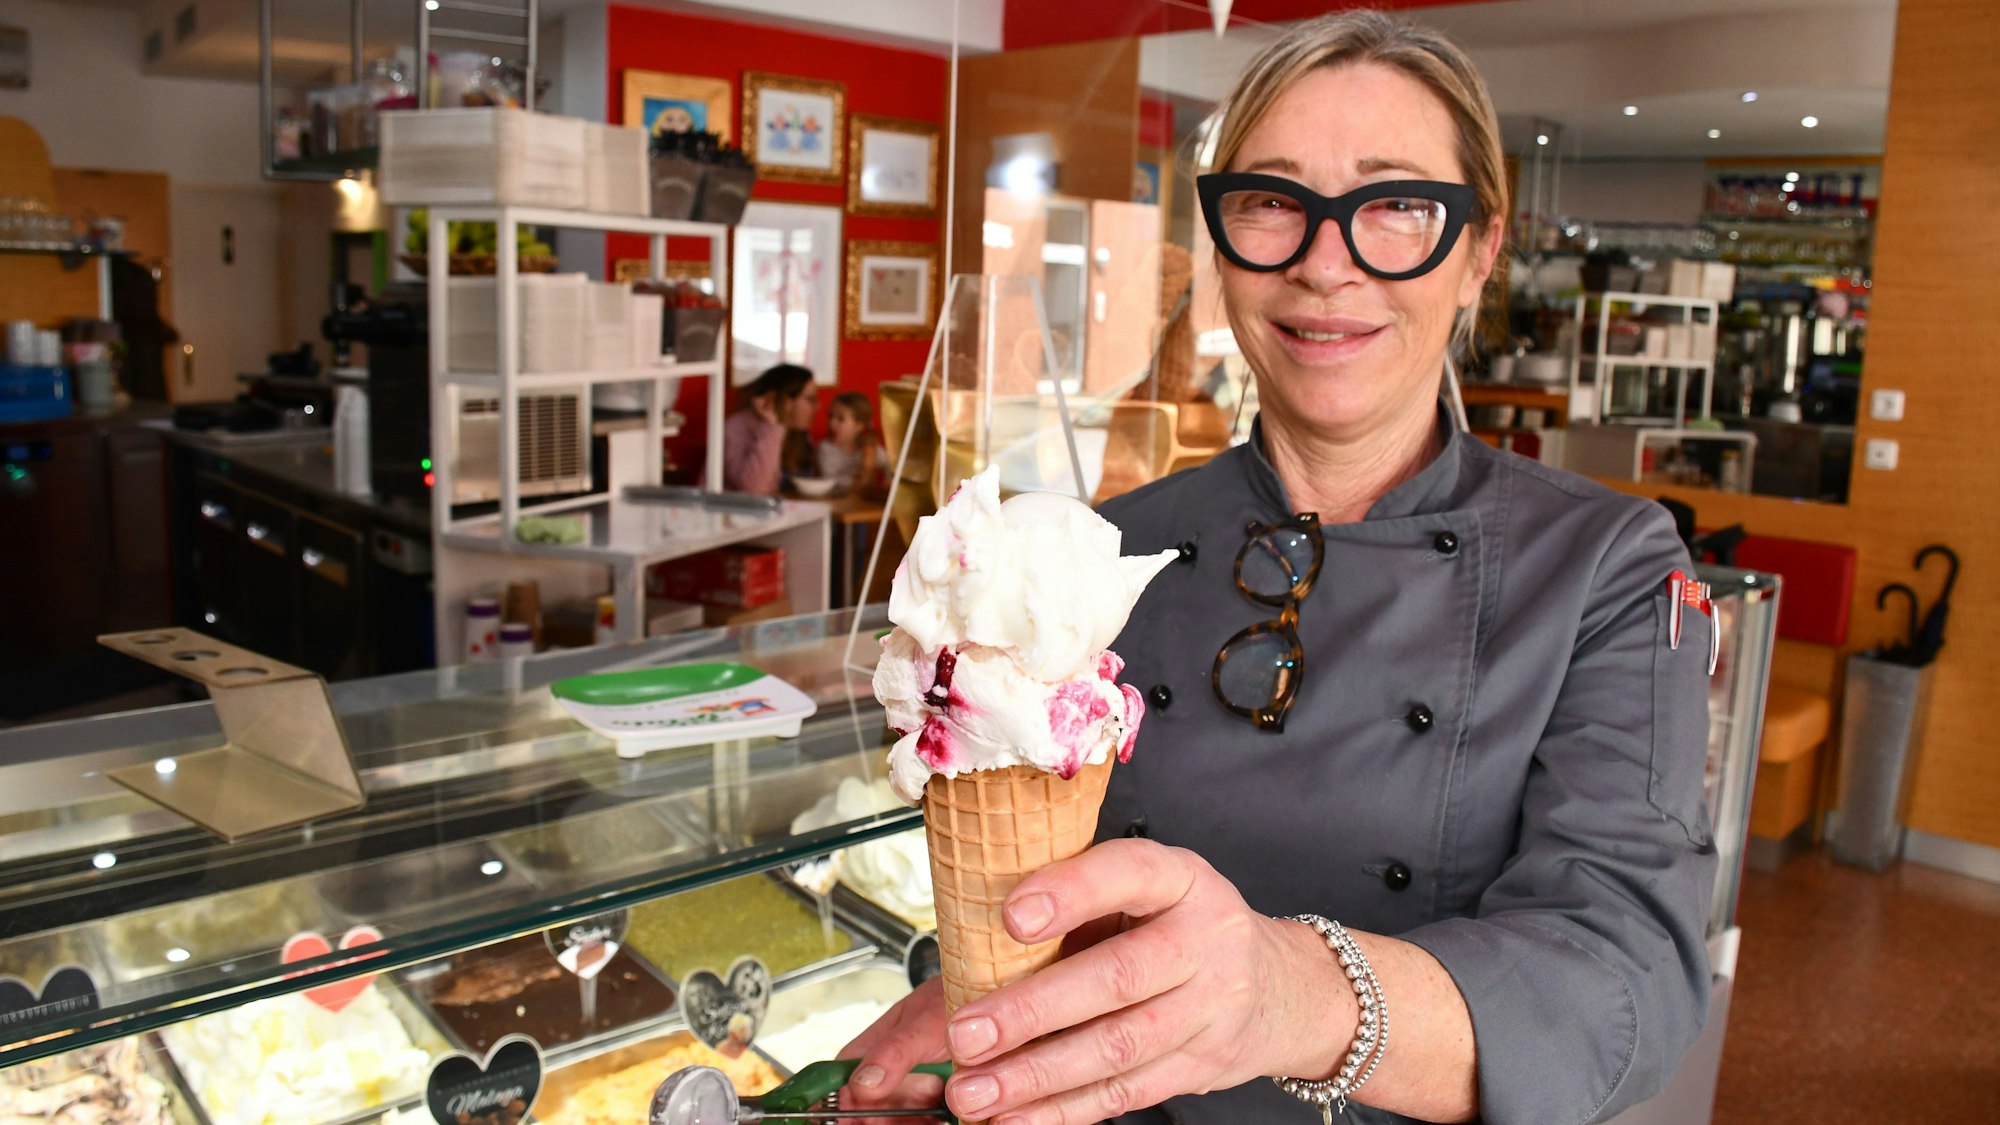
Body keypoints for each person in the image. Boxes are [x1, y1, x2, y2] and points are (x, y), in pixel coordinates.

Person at [842, 11, 1717, 1125]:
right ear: (1221, 244)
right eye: (1271, 202)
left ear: (1478, 251)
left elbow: (1622, 980)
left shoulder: (1606, 566)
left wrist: (1286, 996)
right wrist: (989, 1024)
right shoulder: (1103, 552)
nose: (1321, 262)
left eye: (1396, 205)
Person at [723, 363, 818, 495]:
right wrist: (772, 427)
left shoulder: (799, 436)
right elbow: (755, 490)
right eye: (810, 399)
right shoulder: (737, 428)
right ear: (786, 401)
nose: (817, 407)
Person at [818, 391, 886, 495]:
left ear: (859, 425)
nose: (832, 423)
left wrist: (888, 480)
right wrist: (859, 477)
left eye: (840, 419)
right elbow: (829, 480)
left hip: (864, 507)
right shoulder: (826, 449)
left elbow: (893, 466)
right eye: (830, 416)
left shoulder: (870, 449)